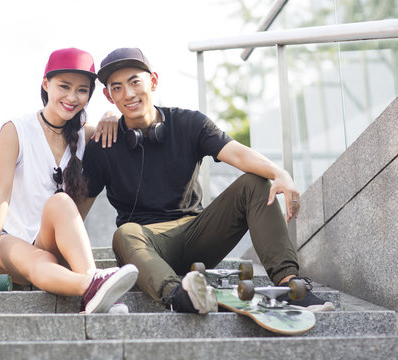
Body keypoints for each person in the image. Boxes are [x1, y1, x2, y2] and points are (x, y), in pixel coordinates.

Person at [80, 47, 335, 313]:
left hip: (196, 234)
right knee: (124, 233)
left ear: (153, 81)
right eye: (117, 88)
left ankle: (289, 287)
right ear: (109, 96)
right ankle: (181, 296)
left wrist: (279, 173)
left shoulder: (188, 123)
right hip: (144, 244)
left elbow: (236, 152)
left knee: (255, 182)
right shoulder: (103, 145)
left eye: (135, 82)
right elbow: (79, 213)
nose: (129, 94)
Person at [0, 47, 138, 314]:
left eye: (82, 90)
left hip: (47, 239)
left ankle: (91, 282)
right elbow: (1, 196)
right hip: (7, 235)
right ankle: (94, 286)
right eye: (64, 86)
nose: (72, 97)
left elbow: (124, 128)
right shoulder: (16, 130)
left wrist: (111, 114)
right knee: (41, 258)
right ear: (46, 84)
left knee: (61, 202)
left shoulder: (85, 135)